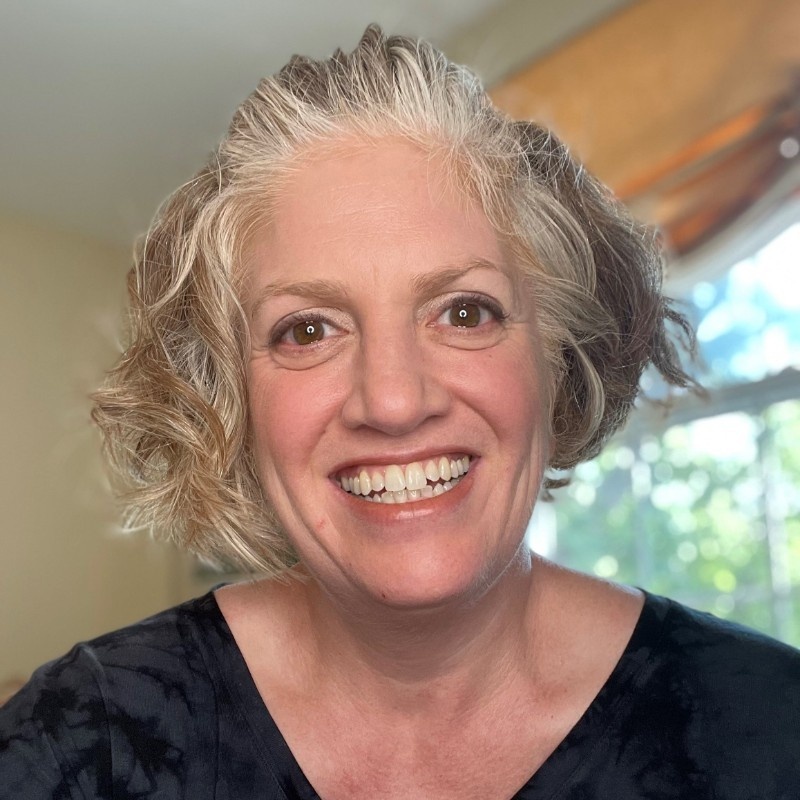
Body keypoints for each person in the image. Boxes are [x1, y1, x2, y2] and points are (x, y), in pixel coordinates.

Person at [1, 25, 798, 800]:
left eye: (464, 313)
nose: (392, 400)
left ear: (558, 357)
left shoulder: (771, 725)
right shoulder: (83, 739)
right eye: (308, 330)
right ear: (228, 398)